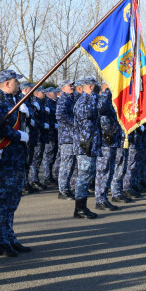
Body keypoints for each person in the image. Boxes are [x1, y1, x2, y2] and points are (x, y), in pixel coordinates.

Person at [0, 69, 32, 257]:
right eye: (16, 81)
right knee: (3, 201)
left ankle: (10, 236)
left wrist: (27, 114)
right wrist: (18, 135)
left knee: (13, 200)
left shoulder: (17, 100)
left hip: (18, 158)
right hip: (5, 158)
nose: (19, 84)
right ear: (7, 83)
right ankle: (2, 241)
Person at [72, 77, 101, 219]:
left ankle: (83, 207)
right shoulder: (83, 101)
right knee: (83, 177)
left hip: (91, 144)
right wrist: (95, 97)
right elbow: (88, 115)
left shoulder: (90, 100)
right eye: (95, 86)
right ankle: (79, 208)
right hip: (85, 146)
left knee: (87, 175)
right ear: (90, 87)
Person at [56, 79, 77, 201]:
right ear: (63, 88)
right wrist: (75, 123)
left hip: (71, 137)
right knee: (66, 164)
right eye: (70, 86)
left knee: (71, 164)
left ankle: (68, 188)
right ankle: (63, 190)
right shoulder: (63, 100)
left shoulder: (70, 99)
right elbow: (60, 115)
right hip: (66, 137)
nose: (72, 87)